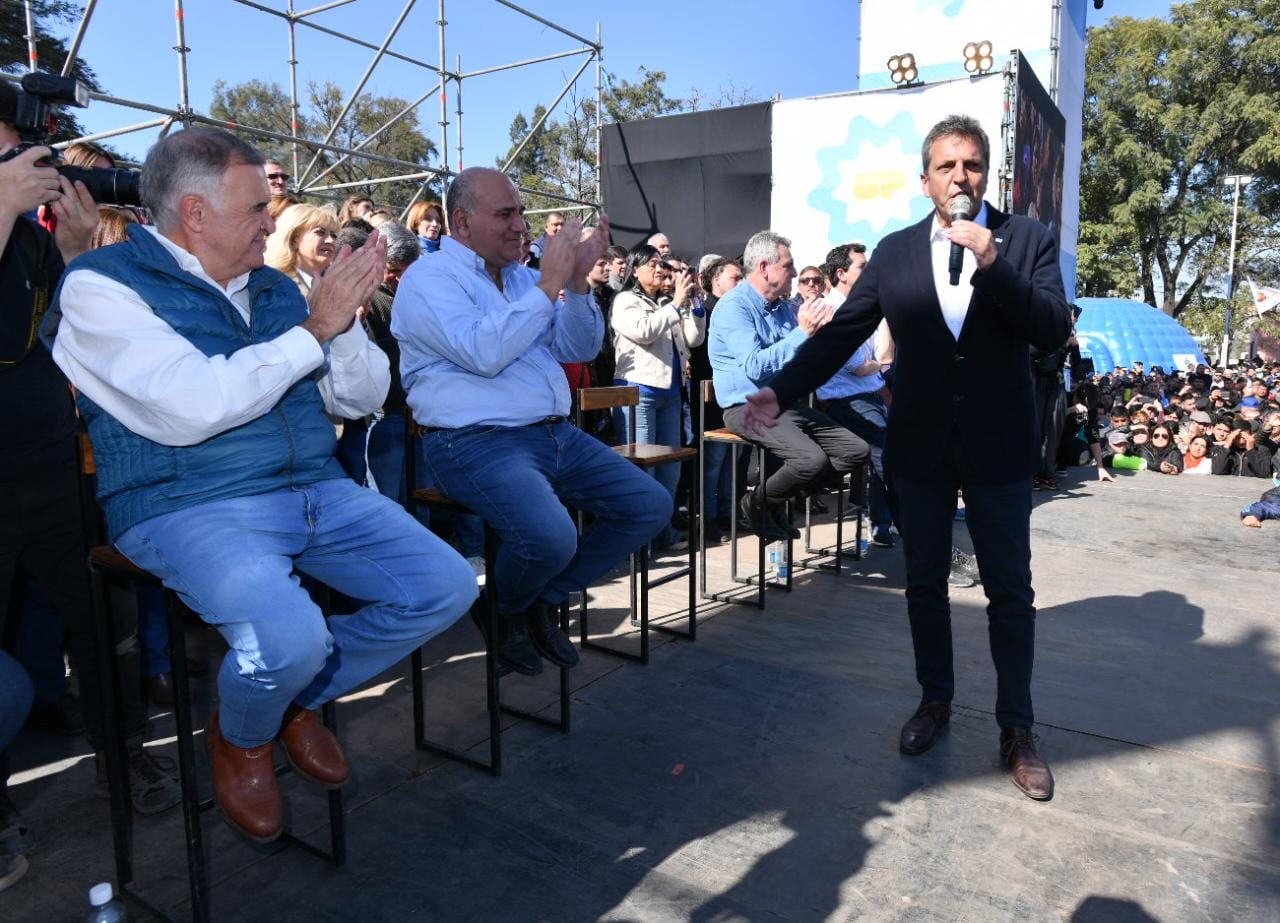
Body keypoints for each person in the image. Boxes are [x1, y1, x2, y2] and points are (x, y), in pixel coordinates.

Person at [46, 127, 476, 844]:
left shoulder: (276, 287)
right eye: (256, 209)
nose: (271, 224)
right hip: (185, 499)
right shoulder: (102, 284)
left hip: (312, 487)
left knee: (445, 586)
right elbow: (191, 407)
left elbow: (360, 397)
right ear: (194, 212)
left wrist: (342, 323)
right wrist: (315, 328)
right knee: (287, 635)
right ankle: (245, 733)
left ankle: (278, 699)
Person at [742, 115, 1071, 801]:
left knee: (1010, 590)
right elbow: (841, 338)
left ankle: (1017, 728)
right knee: (923, 582)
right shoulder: (893, 254)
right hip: (922, 442)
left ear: (987, 174)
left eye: (972, 165)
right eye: (947, 166)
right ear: (925, 180)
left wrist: (994, 263)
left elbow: (1050, 328)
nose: (960, 177)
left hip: (999, 445)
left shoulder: (1026, 240)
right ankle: (934, 700)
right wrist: (781, 389)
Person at [392, 167, 670, 677]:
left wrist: (578, 287)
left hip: (553, 433)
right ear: (462, 221)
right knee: (551, 536)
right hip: (471, 441)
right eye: (505, 214)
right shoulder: (429, 279)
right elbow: (484, 352)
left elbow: (578, 347)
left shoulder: (522, 278)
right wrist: (548, 285)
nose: (520, 225)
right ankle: (505, 611)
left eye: (521, 212)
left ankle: (541, 599)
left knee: (648, 505)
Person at [0, 88, 182, 818]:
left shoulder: (30, 239)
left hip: (50, 464)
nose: (20, 166)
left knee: (106, 619)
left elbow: (71, 335)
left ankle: (122, 752)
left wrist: (75, 252)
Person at [708, 230, 869, 541]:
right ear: (764, 268)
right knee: (810, 460)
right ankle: (759, 502)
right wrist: (803, 333)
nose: (795, 273)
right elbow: (755, 366)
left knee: (855, 451)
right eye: (788, 265)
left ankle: (771, 500)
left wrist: (824, 335)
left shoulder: (782, 308)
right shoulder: (734, 307)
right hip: (745, 406)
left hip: (783, 403)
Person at [610, 243, 705, 552]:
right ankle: (641, 542)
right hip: (638, 392)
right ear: (634, 269)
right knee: (643, 468)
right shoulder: (626, 300)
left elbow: (693, 339)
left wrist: (694, 305)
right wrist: (676, 304)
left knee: (670, 468)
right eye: (651, 264)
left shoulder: (667, 302)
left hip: (671, 392)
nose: (659, 269)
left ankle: (663, 533)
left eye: (661, 264)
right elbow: (644, 331)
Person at [813, 242, 897, 547]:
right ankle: (911, 528)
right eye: (863, 267)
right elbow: (860, 366)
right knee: (889, 458)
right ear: (841, 274)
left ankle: (884, 524)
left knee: (892, 455)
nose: (870, 272)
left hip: (870, 394)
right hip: (844, 401)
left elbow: (884, 357)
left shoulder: (864, 307)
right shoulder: (829, 311)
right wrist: (875, 363)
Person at [690, 257, 744, 541]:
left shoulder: (737, 311)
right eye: (735, 278)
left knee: (732, 459)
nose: (741, 283)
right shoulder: (706, 311)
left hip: (736, 395)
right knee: (713, 461)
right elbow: (700, 356)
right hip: (710, 396)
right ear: (716, 280)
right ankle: (707, 517)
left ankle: (727, 512)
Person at [264, 203, 339, 296]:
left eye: (334, 235)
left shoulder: (334, 285)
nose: (330, 240)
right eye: (320, 232)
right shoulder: (277, 286)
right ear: (293, 239)